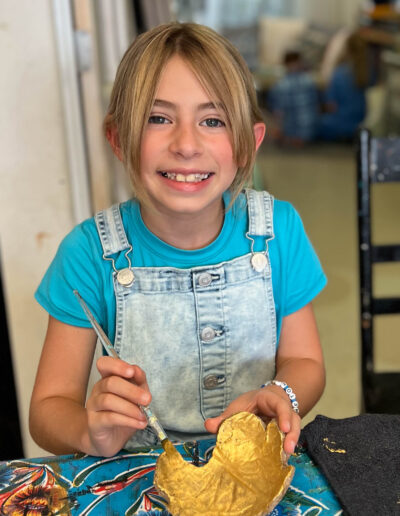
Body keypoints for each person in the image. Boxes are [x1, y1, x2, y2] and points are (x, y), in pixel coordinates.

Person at [29, 22, 326, 459]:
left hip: (255, 465)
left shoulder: (279, 230)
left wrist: (282, 392)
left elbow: (307, 364)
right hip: (135, 479)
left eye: (213, 120)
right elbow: (47, 411)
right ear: (118, 139)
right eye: (158, 118)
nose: (186, 144)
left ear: (248, 144)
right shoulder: (88, 253)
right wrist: (88, 431)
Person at [317, 33, 368, 141]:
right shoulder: (367, 73)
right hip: (360, 123)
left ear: (346, 48)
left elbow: (331, 106)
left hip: (339, 125)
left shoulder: (339, 73)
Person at [269, 50, 320, 146]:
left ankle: (291, 139)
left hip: (290, 133)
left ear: (285, 64)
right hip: (311, 132)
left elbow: (278, 113)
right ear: (301, 62)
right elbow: (316, 106)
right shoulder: (309, 81)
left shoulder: (280, 86)